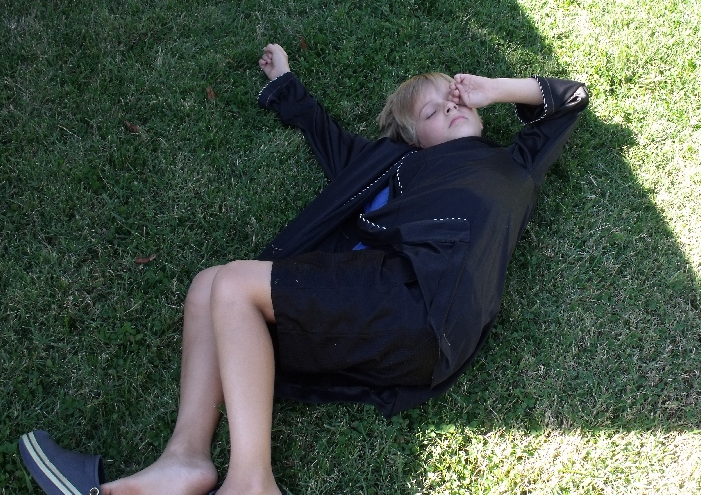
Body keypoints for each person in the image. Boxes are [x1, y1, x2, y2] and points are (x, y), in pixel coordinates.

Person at [92, 43, 588, 494]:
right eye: (432, 111)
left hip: (426, 301)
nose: (450, 108)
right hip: (387, 310)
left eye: (456, 100)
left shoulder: (512, 163)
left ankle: (252, 481)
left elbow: (572, 97)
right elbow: (324, 134)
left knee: (236, 284)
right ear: (414, 139)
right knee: (208, 286)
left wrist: (494, 89)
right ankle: (185, 457)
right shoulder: (386, 166)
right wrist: (284, 82)